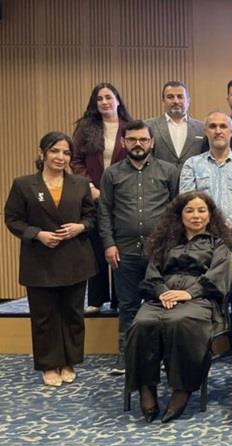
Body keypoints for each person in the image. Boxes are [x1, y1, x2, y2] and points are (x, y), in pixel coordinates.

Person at [125, 191, 232, 423]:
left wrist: (189, 293)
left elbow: (218, 276)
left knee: (180, 322)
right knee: (142, 323)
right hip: (163, 296)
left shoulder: (219, 245)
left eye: (202, 210)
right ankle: (146, 386)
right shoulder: (165, 242)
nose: (196, 215)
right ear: (179, 215)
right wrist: (161, 291)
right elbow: (152, 273)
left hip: (200, 298)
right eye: (189, 210)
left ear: (210, 215)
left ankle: (182, 388)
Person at [4, 132, 96, 387]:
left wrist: (80, 227)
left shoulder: (80, 184)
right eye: (55, 151)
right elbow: (12, 219)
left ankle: (69, 361)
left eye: (66, 152)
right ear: (42, 153)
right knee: (44, 316)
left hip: (74, 258)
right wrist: (37, 234)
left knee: (72, 314)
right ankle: (48, 364)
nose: (60, 157)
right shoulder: (24, 184)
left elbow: (92, 217)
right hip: (40, 260)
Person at [98, 120, 180, 375]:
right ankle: (127, 357)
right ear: (123, 143)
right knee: (128, 305)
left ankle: (163, 355)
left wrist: (173, 245)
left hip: (161, 253)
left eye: (143, 139)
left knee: (164, 304)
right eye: (132, 139)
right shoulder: (112, 174)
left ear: (152, 143)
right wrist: (109, 244)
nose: (138, 144)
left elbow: (177, 210)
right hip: (124, 252)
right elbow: (104, 211)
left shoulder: (169, 171)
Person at [71, 82, 132, 314]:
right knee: (96, 246)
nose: (105, 102)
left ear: (117, 100)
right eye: (100, 99)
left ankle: (119, 299)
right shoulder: (86, 129)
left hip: (122, 196)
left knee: (120, 247)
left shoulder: (128, 127)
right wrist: (90, 186)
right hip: (93, 196)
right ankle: (96, 299)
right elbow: (75, 160)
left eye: (109, 97)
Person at [180, 111, 232, 242]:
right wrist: (208, 224)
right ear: (205, 131)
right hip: (201, 239)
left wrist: (228, 224)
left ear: (231, 132)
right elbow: (186, 199)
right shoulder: (192, 165)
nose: (218, 131)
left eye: (223, 126)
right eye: (212, 126)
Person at [146, 80, 208, 167]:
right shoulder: (148, 126)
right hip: (160, 176)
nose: (176, 101)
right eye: (170, 97)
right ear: (163, 101)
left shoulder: (202, 128)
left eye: (180, 97)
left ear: (188, 100)